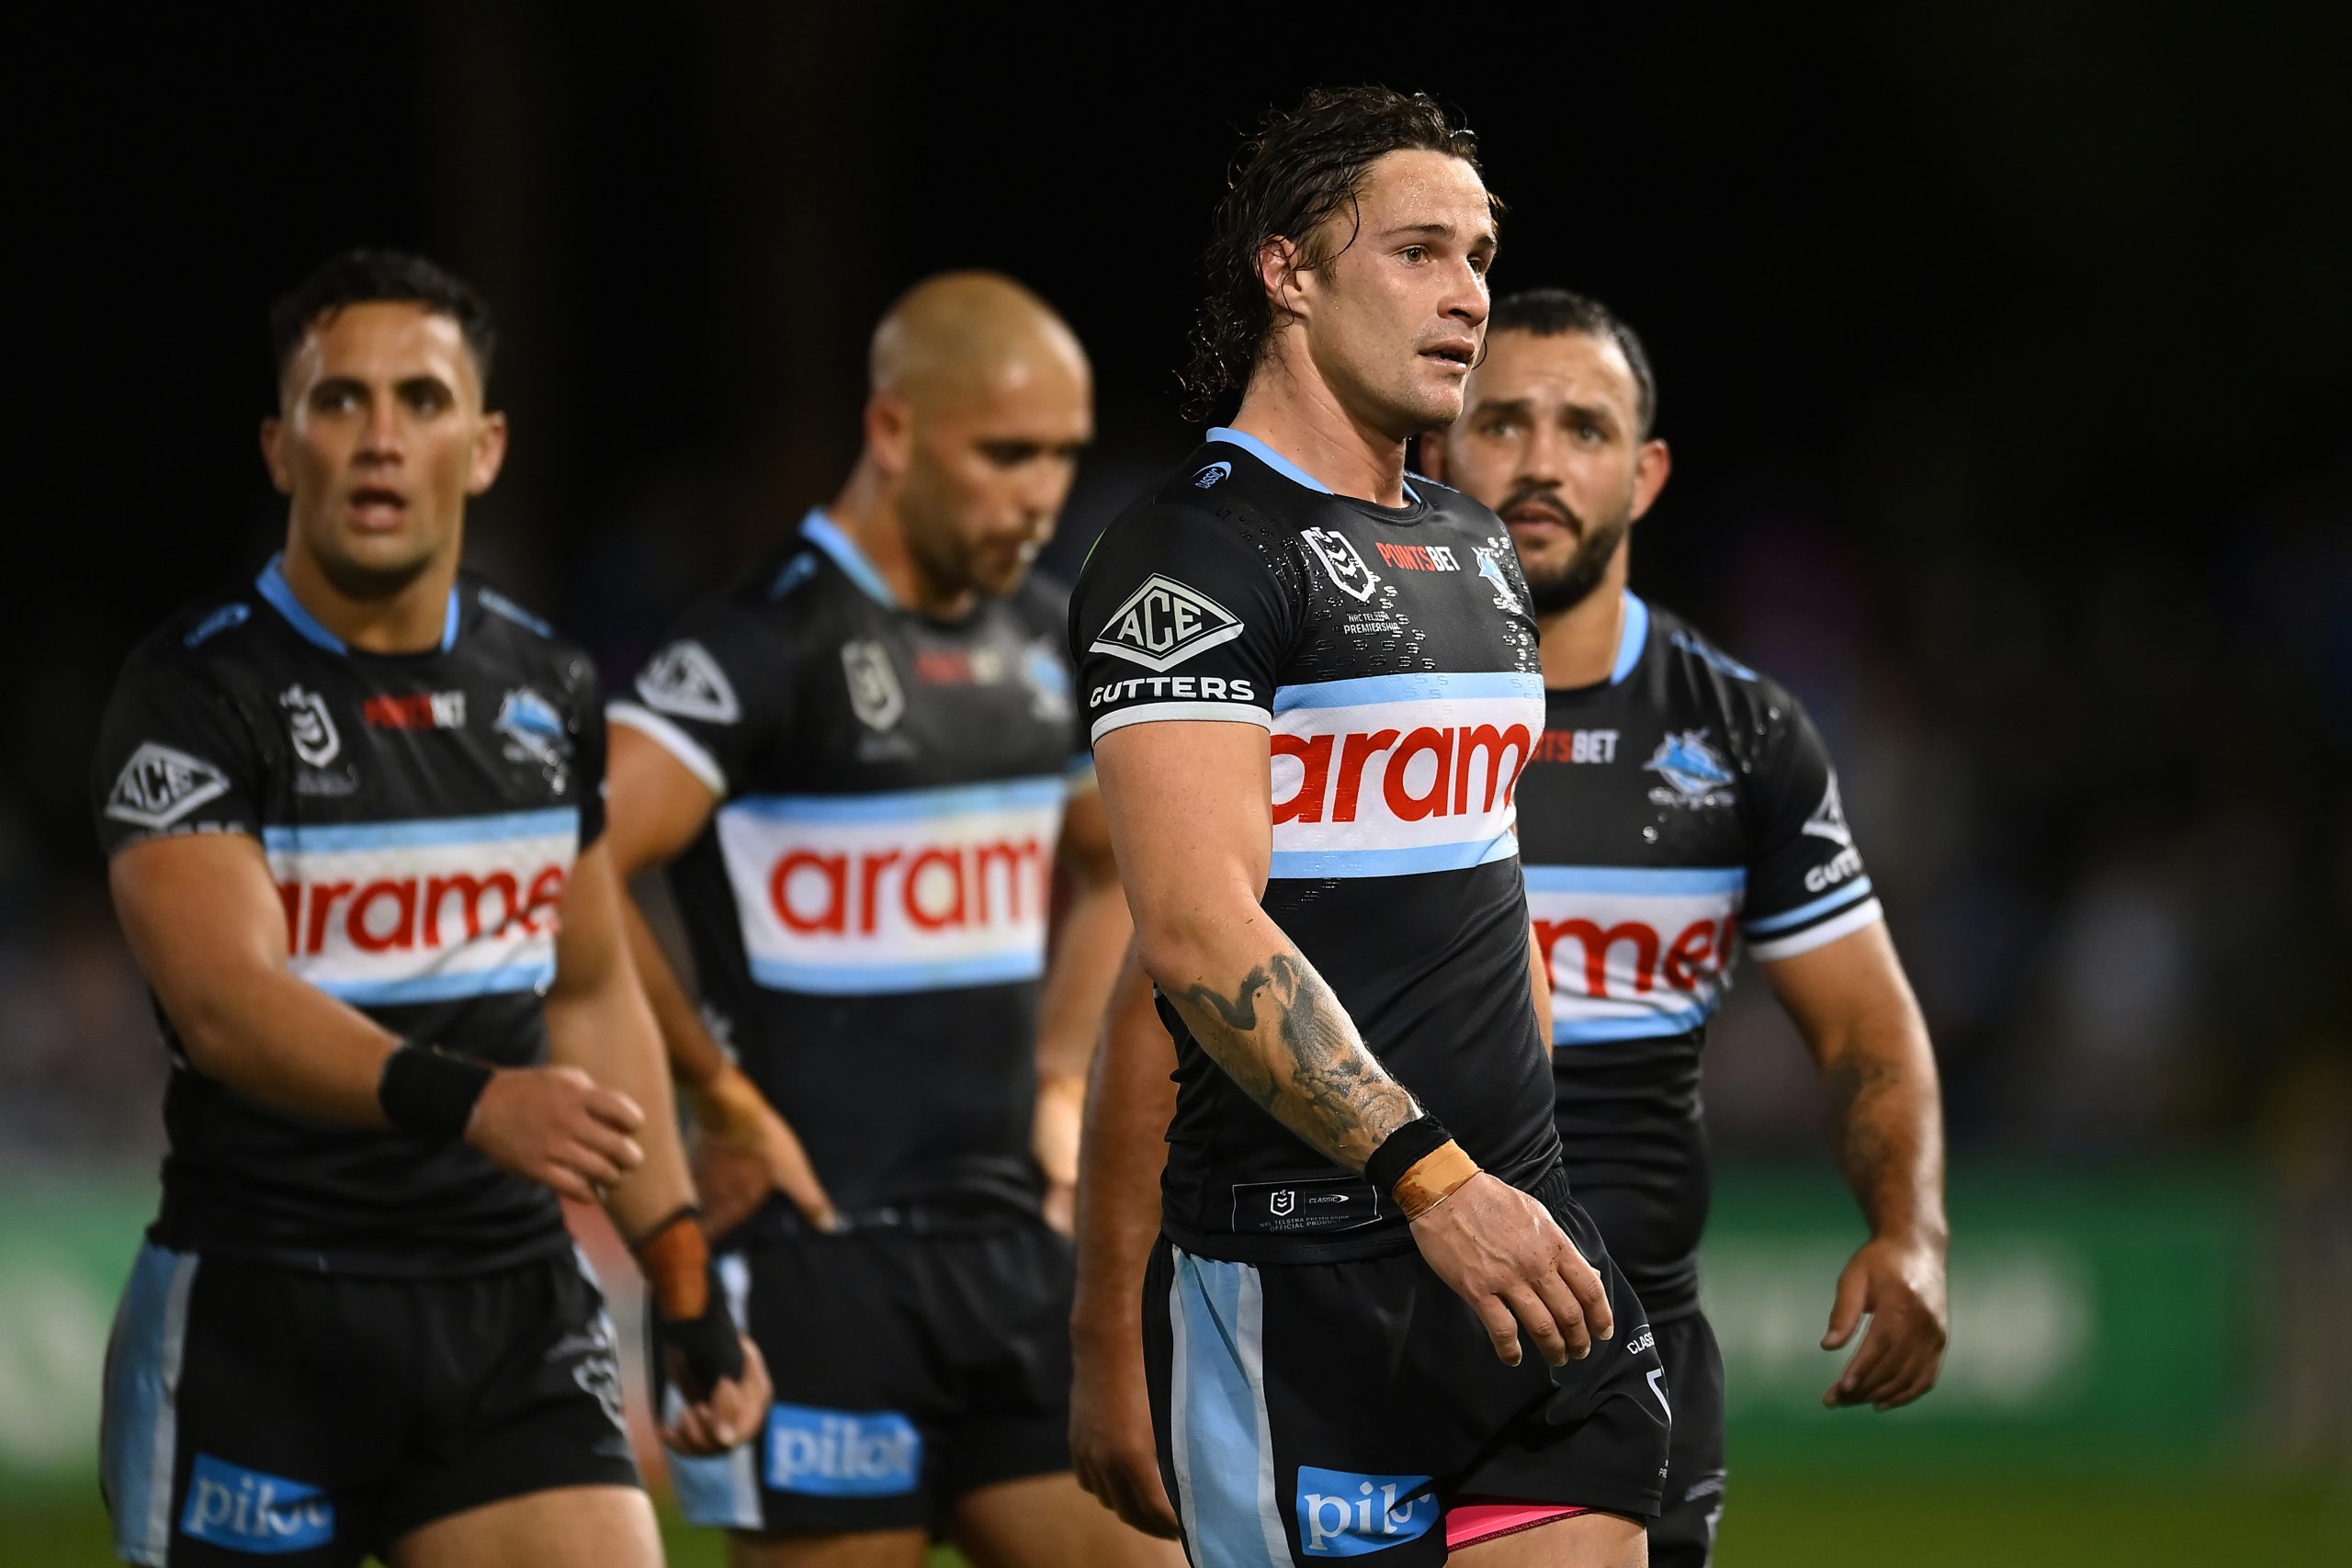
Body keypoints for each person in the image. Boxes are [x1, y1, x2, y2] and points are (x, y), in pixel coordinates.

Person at [1072, 286, 1953, 1568]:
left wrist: (1912, 1226)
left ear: (1648, 474)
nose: (1542, 462)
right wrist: (1109, 1333)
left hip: (1599, 1307)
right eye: (1508, 422)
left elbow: (1867, 1016)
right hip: (1341, 1265)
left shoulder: (1743, 737)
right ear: (1441, 444)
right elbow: (1172, 999)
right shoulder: (1313, 690)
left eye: (1586, 430)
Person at [92, 249, 767, 1568]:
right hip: (263, 1310)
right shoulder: (190, 693)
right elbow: (227, 1007)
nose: (381, 439)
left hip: (508, 1304)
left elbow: (585, 992)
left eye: (421, 400)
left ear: (487, 445)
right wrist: (477, 1099)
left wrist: (679, 1276)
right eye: (340, 404)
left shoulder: (550, 687)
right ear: (282, 448)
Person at [1067, 88, 1669, 1568]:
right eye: (1417, 251)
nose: (1469, 294)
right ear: (1288, 271)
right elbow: (1198, 944)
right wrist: (1103, 1326)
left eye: (1479, 254)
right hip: (1307, 1271)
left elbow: (1488, 890)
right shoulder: (1191, 554)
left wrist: (1529, 1186)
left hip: (1519, 1249)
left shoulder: (1473, 546)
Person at [602, 272, 1168, 1567]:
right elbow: (575, 856)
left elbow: (1114, 868)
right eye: (1007, 453)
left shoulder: (1041, 645)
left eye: (1062, 459)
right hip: (814, 1271)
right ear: (897, 431)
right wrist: (714, 1095)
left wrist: (1057, 1073)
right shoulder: (766, 643)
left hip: (1014, 1251)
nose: (1040, 493)